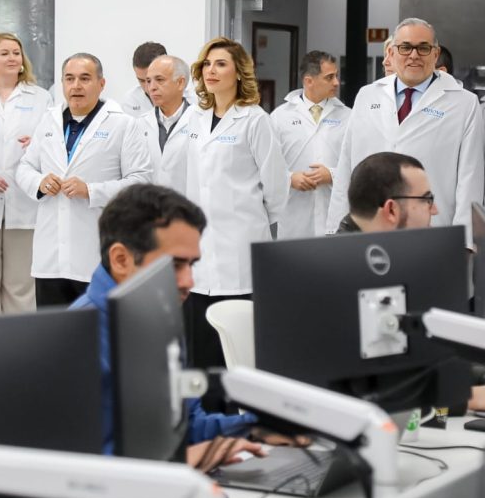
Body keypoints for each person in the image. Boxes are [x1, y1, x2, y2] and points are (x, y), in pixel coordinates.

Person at [338, 152, 485, 413]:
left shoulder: (387, 260)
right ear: (391, 209)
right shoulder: (340, 279)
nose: (434, 210)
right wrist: (464, 397)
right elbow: (356, 390)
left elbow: (418, 360)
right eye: (427, 199)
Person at [69, 183, 262, 467]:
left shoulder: (161, 320)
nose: (189, 281)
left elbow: (185, 428)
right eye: (174, 266)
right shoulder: (77, 341)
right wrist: (178, 462)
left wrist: (257, 428)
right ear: (121, 260)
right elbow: (78, 468)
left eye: (192, 265)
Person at [184, 37, 288, 410]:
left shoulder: (255, 120)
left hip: (240, 249)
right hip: (200, 251)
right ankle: (206, 422)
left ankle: (239, 420)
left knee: (237, 350)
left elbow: (277, 188)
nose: (211, 71)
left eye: (221, 64)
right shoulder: (194, 118)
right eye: (207, 64)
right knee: (202, 349)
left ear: (239, 72)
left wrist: (249, 221)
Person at [327, 18, 484, 245]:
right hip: (367, 232)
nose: (414, 55)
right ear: (391, 53)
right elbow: (346, 167)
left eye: (423, 48)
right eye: (405, 47)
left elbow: (470, 179)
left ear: (435, 54)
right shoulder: (367, 95)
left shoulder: (464, 104)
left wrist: (465, 243)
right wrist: (334, 229)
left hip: (432, 232)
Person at [17, 53, 152, 306]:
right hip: (50, 257)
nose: (76, 86)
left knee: (94, 327)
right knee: (51, 328)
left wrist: (91, 190)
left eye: (85, 78)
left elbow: (140, 181)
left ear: (101, 84)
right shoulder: (48, 120)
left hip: (95, 255)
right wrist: (39, 183)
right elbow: (25, 167)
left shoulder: (123, 124)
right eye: (69, 79)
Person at [0, 32, 54, 315]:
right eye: (4, 53)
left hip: (24, 203)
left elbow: (55, 144)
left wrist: (39, 144)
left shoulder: (41, 98)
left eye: (16, 53)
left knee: (21, 285)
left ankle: (19, 340)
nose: (12, 58)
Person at [270, 50, 351, 238]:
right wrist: (290, 178)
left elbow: (358, 163)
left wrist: (332, 175)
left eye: (336, 76)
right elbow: (267, 167)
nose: (336, 82)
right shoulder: (279, 117)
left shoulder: (348, 116)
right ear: (309, 81)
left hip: (335, 216)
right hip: (294, 219)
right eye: (329, 77)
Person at [139, 55, 194, 193]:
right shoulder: (139, 124)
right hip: (149, 203)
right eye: (148, 81)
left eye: (159, 80)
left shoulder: (201, 121)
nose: (151, 88)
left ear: (180, 83)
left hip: (188, 203)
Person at [119, 41, 167, 117]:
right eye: (141, 81)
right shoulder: (129, 102)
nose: (148, 87)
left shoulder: (187, 97)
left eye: (157, 79)